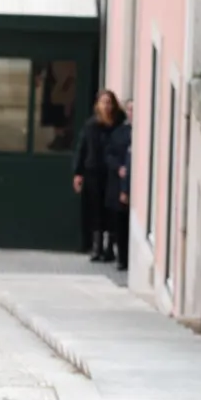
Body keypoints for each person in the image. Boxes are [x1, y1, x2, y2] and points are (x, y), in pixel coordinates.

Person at [73, 90, 127, 263]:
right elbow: (82, 148)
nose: (107, 106)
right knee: (95, 209)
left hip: (111, 173)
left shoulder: (119, 125)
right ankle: (96, 247)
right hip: (93, 172)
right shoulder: (91, 125)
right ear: (98, 105)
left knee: (111, 209)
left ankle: (110, 247)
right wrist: (78, 173)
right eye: (103, 102)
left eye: (109, 102)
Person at [104, 97, 133, 271]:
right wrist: (118, 168)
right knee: (120, 223)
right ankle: (122, 258)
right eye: (130, 109)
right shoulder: (119, 132)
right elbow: (109, 155)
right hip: (120, 184)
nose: (132, 112)